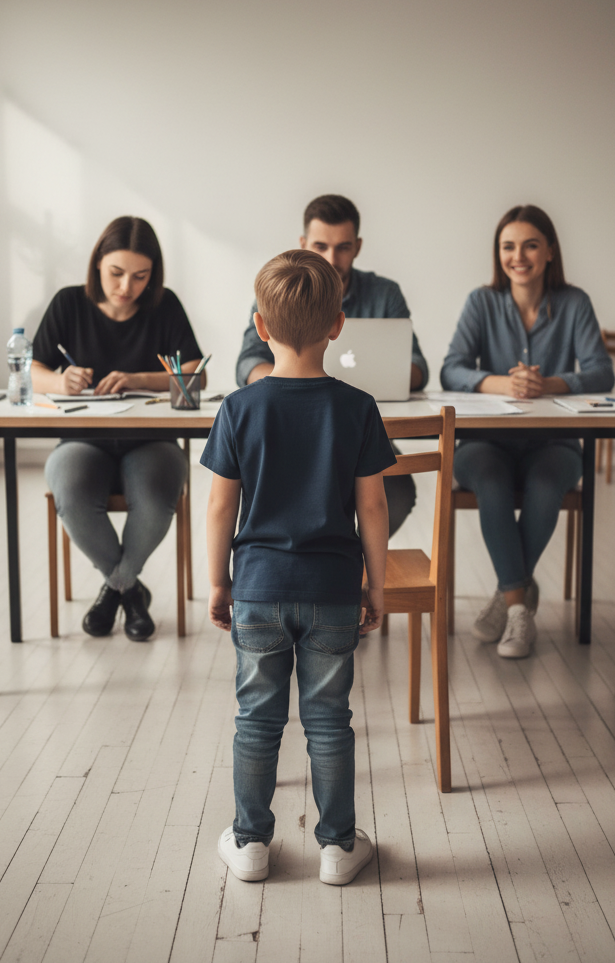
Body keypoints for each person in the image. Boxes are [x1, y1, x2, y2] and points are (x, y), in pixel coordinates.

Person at [204, 249, 393, 885]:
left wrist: (216, 582)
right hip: (334, 591)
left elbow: (218, 507)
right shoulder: (359, 407)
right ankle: (338, 847)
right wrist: (378, 584)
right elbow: (372, 505)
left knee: (257, 721)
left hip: (256, 590)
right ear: (338, 324)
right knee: (328, 721)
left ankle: (251, 843)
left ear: (260, 327)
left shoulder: (238, 408)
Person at [441, 205, 614, 659]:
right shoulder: (481, 301)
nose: (519, 256)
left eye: (530, 245)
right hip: (483, 442)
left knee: (544, 482)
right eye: (508, 246)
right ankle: (521, 606)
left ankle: (507, 600)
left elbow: (601, 372)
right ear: (498, 253)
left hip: (553, 441)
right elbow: (451, 369)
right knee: (492, 481)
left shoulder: (575, 302)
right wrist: (502, 382)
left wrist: (550, 384)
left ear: (550, 251)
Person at [31, 216, 205, 641]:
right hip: (82, 438)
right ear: (96, 265)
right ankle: (130, 590)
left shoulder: (165, 306)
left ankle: (114, 589)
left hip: (150, 439)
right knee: (70, 493)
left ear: (153, 275)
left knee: (157, 496)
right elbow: (31, 370)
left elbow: (195, 376)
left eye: (140, 276)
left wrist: (139, 378)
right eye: (116, 273)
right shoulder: (68, 303)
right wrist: (60, 381)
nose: (126, 286)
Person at [235, 194, 426, 536]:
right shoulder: (279, 287)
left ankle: (347, 563)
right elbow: (248, 361)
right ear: (303, 242)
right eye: (320, 246)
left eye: (343, 248)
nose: (331, 258)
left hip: (362, 421)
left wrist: (387, 376)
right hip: (291, 417)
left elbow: (417, 366)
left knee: (396, 492)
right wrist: (292, 381)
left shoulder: (386, 293)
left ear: (358, 246)